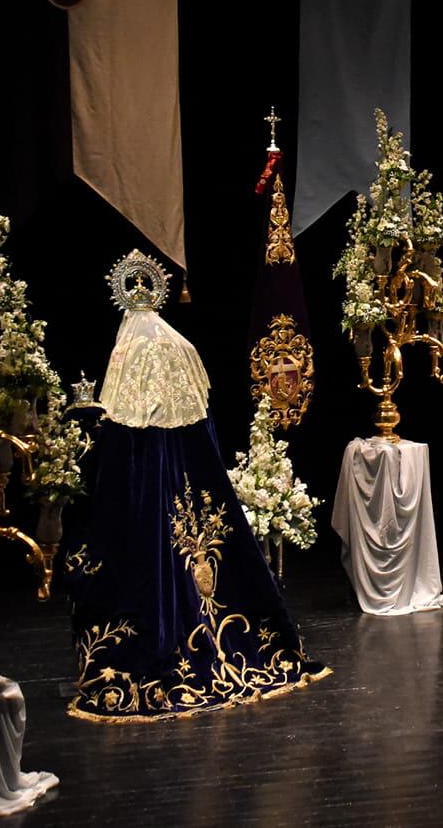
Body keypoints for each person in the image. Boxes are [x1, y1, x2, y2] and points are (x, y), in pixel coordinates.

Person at [62, 251, 328, 723]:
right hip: (196, 481)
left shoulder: (129, 354)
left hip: (146, 487)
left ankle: (165, 658)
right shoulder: (180, 346)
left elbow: (123, 424)